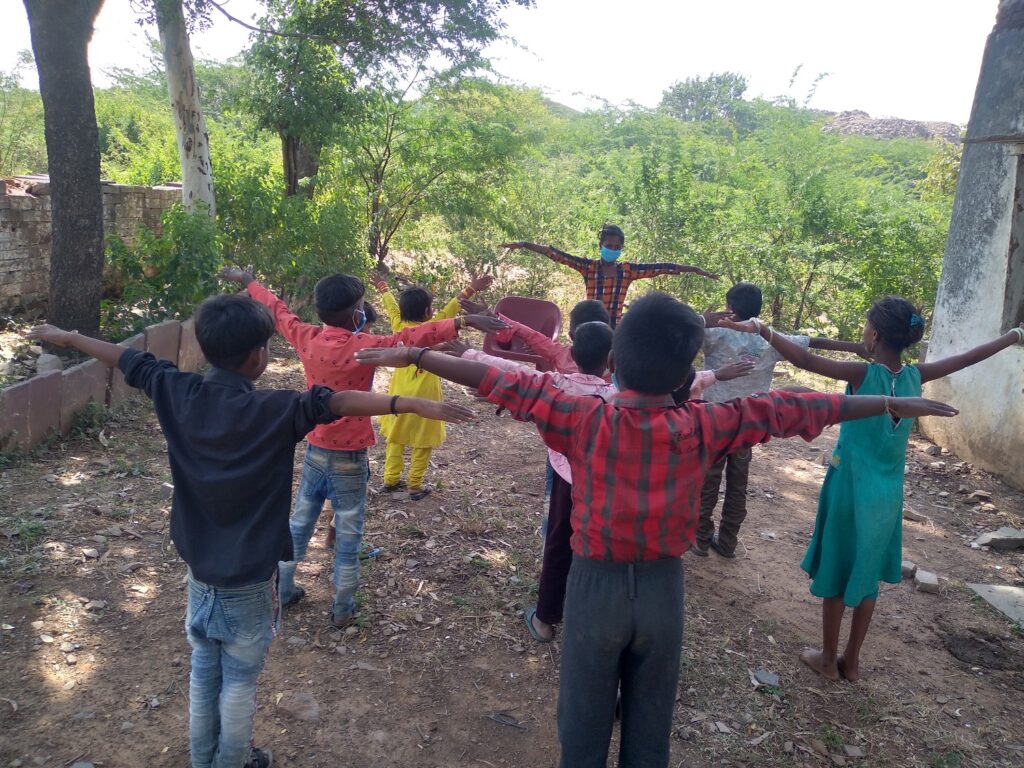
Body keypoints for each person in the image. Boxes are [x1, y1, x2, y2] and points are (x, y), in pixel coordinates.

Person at [354, 292, 957, 768]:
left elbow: (496, 380)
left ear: (613, 364)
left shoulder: (579, 415)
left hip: (593, 589)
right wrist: (887, 405)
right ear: (683, 374)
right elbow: (800, 406)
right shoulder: (706, 424)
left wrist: (413, 356)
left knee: (583, 729)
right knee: (650, 732)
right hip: (665, 593)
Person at [25, 295, 473, 768]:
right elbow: (334, 401)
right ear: (259, 356)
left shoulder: (176, 391)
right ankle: (233, 761)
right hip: (250, 582)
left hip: (199, 575)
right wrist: (406, 403)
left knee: (204, 674)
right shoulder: (275, 411)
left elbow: (130, 359)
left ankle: (205, 761)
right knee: (239, 682)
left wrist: (70, 338)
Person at [722, 297, 1024, 683]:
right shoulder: (917, 375)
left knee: (836, 566)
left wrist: (765, 329)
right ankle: (853, 662)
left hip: (848, 487)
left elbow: (806, 362)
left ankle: (828, 660)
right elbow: (969, 358)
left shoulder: (863, 375)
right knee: (865, 572)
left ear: (876, 334)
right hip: (887, 497)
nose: (863, 331)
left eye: (866, 325)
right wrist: (1014, 334)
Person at [219, 267, 506, 628]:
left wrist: (249, 282)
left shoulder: (305, 337)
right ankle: (342, 608)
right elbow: (413, 335)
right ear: (357, 314)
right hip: (351, 457)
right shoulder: (364, 347)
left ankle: (284, 591)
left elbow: (278, 310)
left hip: (315, 448)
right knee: (350, 534)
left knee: (300, 524)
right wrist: (463, 321)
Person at [443, 322, 618, 644]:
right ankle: (598, 620)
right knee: (604, 552)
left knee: (557, 547)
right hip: (609, 488)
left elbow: (512, 371)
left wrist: (468, 353)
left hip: (568, 483)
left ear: (572, 353)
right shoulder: (621, 399)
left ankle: (545, 619)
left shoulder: (554, 385)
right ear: (612, 359)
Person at [696, 281, 868, 558]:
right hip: (750, 423)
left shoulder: (714, 333)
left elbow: (683, 332)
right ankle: (728, 542)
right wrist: (856, 347)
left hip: (714, 421)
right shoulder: (770, 338)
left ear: (729, 308)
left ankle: (701, 540)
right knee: (738, 484)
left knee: (708, 482)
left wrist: (703, 319)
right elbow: (812, 342)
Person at [372, 271, 494, 499]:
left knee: (395, 438)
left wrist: (382, 287)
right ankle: (414, 486)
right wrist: (472, 288)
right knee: (423, 441)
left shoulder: (399, 327)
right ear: (428, 312)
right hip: (427, 397)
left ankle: (390, 480)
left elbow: (390, 307)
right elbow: (453, 307)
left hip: (398, 395)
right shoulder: (435, 328)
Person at [500, 224, 718, 326]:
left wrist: (695, 269)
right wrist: (523, 244)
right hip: (587, 325)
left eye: (617, 246)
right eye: (609, 245)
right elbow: (555, 254)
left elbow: (663, 267)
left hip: (614, 328)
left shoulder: (628, 271)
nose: (612, 249)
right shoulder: (589, 267)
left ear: (621, 248)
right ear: (600, 245)